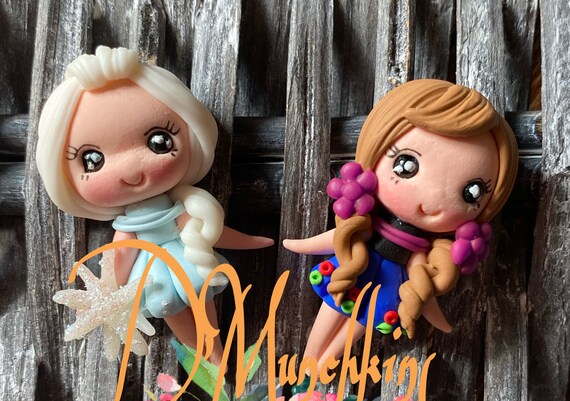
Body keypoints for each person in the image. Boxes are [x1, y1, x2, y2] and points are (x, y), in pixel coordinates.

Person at [37, 46, 273, 364]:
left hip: (188, 258)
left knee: (202, 298)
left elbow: (209, 231)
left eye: (158, 141)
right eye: (92, 160)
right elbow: (120, 259)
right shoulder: (128, 228)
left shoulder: (183, 207)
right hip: (153, 274)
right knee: (171, 309)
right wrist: (110, 295)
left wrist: (251, 241)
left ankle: (215, 351)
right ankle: (209, 357)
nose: (131, 171)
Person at [284, 79, 518, 366]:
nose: (431, 200)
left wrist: (428, 303)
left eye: (471, 192)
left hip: (389, 283)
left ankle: (317, 370)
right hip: (357, 267)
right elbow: (336, 238)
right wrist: (301, 244)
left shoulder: (423, 252)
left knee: (358, 326)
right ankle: (308, 363)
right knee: (332, 309)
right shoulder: (365, 226)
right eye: (406, 165)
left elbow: (421, 279)